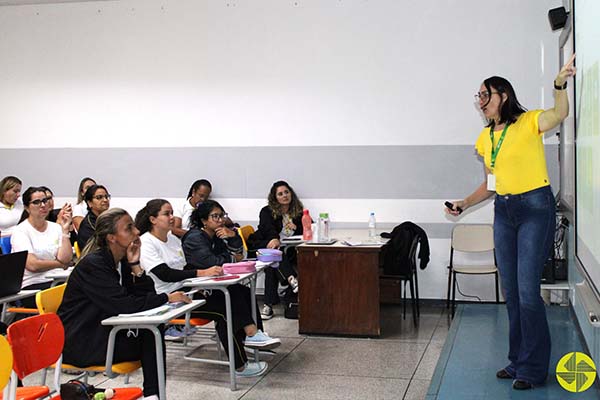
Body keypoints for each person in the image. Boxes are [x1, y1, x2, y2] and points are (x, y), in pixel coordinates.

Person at [446, 55, 576, 390]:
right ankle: (517, 360)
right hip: (504, 212)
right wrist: (463, 202)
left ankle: (533, 369)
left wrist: (559, 84)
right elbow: (490, 185)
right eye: (479, 97)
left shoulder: (529, 122)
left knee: (528, 292)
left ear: (503, 95)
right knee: (513, 293)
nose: (481, 102)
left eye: (485, 95)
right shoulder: (485, 138)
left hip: (535, 208)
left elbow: (560, 114)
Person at [57, 208, 191, 400]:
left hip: (102, 331)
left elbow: (145, 295)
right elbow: (124, 305)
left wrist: (136, 266)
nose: (137, 232)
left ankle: (153, 395)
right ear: (112, 237)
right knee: (150, 333)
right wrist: (166, 298)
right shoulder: (94, 264)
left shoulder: (121, 260)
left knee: (152, 330)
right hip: (82, 341)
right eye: (129, 228)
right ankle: (153, 395)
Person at [137, 199, 279, 376]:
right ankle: (240, 365)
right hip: (169, 299)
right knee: (226, 307)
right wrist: (199, 274)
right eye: (167, 214)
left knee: (239, 291)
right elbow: (165, 274)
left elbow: (186, 267)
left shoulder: (172, 239)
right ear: (152, 219)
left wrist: (198, 281)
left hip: (189, 290)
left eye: (172, 212)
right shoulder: (147, 242)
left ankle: (253, 337)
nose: (172, 217)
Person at [248, 181, 303, 320]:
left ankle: (268, 306)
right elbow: (268, 229)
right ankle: (291, 279)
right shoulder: (267, 211)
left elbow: (308, 229)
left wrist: (297, 228)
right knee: (275, 255)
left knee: (273, 263)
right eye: (280, 194)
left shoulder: (297, 211)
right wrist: (273, 240)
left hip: (288, 251)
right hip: (262, 245)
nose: (284, 196)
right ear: (275, 197)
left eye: (286, 192)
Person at [10, 187, 73, 308]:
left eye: (45, 200)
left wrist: (65, 231)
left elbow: (65, 259)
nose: (43, 205)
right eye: (36, 202)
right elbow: (33, 265)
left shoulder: (56, 227)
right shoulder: (21, 231)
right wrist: (59, 264)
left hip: (58, 281)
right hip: (34, 285)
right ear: (27, 207)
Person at [77, 184, 111, 250]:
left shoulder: (110, 219)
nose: (105, 200)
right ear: (89, 203)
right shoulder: (88, 225)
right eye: (99, 197)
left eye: (106, 197)